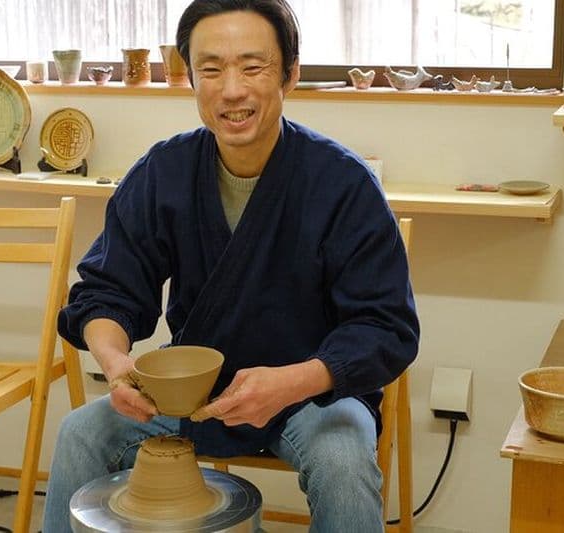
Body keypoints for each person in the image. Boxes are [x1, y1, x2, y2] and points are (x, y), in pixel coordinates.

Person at [43, 1, 419, 531]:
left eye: (252, 66)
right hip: (193, 395)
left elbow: (386, 328)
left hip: (311, 393)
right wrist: (115, 363)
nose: (232, 90)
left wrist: (290, 383)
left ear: (289, 72)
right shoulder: (162, 172)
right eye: (212, 69)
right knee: (82, 431)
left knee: (344, 461)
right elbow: (108, 292)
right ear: (189, 77)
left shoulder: (343, 184)